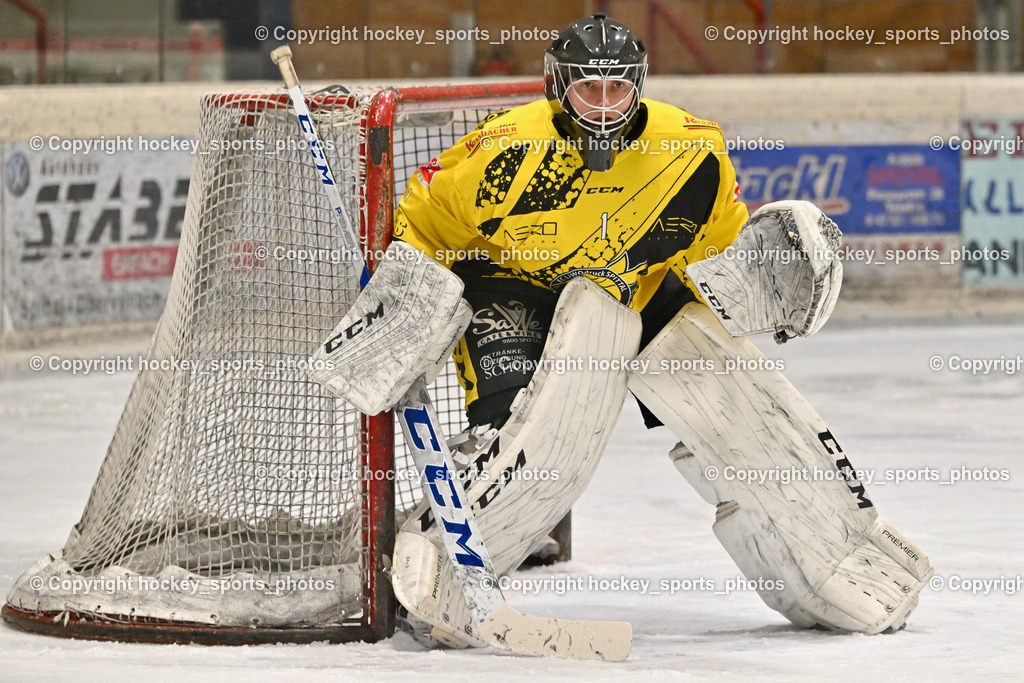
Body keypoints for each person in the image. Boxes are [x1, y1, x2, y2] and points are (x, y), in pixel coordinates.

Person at [314, 13, 933, 651]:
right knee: (522, 439)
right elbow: (426, 223)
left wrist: (747, 287)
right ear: (560, 86)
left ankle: (823, 556)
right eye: (590, 89)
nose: (605, 106)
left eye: (618, 89)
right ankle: (443, 558)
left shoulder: (691, 149)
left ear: (638, 84)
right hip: (517, 287)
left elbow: (715, 257)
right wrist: (403, 302)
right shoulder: (503, 151)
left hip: (631, 288)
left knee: (728, 400)